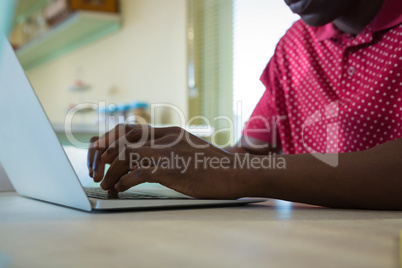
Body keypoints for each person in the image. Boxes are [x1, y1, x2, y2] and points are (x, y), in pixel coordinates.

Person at [87, 0, 402, 210]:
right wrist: (190, 150)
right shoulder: (295, 46)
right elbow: (252, 154)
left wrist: (235, 172)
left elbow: (245, 168)